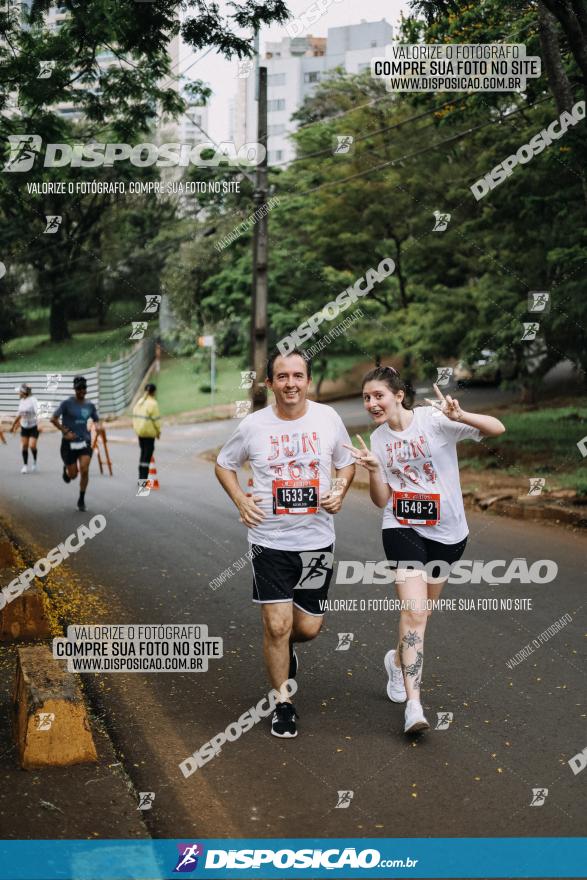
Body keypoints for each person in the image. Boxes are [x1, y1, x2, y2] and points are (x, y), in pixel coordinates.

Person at [345, 366, 505, 735]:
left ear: (399, 394)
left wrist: (460, 415)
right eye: (366, 397)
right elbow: (382, 500)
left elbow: (497, 428)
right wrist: (373, 470)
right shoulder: (380, 440)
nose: (371, 403)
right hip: (402, 528)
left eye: (378, 396)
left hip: (448, 534)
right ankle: (414, 706)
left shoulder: (435, 420)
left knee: (422, 616)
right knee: (414, 613)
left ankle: (395, 661)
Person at [215, 349, 355, 738]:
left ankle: (285, 648)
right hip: (268, 541)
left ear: (307, 380)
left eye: (297, 376)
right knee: (277, 625)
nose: (290, 383)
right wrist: (241, 499)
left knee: (307, 627)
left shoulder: (328, 418)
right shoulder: (254, 426)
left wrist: (340, 489)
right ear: (270, 383)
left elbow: (346, 463)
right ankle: (283, 703)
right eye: (282, 376)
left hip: (316, 542)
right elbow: (224, 464)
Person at [50, 375, 103, 512]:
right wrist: (64, 431)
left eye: (83, 388)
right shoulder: (67, 403)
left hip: (84, 441)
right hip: (68, 444)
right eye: (78, 388)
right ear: (74, 389)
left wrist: (97, 426)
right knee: (73, 475)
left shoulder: (90, 405)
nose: (81, 391)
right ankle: (67, 471)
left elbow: (96, 420)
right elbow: (53, 418)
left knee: (85, 469)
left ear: (86, 389)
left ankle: (81, 499)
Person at [132, 383, 161, 486]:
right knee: (146, 457)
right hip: (149, 434)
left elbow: (134, 417)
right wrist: (158, 432)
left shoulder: (139, 402)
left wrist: (137, 429)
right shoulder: (153, 404)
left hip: (140, 433)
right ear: (153, 392)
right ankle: (143, 481)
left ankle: (141, 478)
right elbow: (156, 420)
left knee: (143, 454)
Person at [10, 384, 40, 474]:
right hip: (24, 427)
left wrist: (40, 423)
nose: (18, 393)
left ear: (24, 392)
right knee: (24, 446)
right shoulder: (21, 401)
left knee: (32, 446)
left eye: (19, 391)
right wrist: (13, 426)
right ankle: (25, 466)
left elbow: (38, 412)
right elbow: (19, 415)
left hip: (34, 426)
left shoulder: (33, 400)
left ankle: (34, 461)